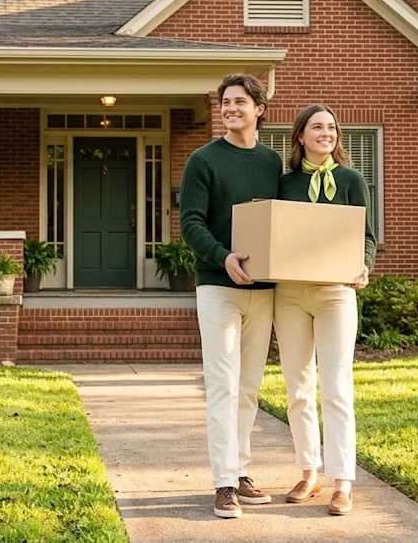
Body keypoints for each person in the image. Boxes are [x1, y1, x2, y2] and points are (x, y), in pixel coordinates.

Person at [178, 73, 283, 519]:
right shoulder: (203, 161)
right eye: (225, 102)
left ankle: (241, 471)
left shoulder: (274, 163)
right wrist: (223, 258)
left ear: (259, 109)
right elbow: (191, 223)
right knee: (222, 385)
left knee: (248, 388)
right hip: (218, 287)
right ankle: (223, 482)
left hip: (264, 290)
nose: (230, 108)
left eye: (240, 101)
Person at [274, 104, 376, 516]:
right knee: (297, 386)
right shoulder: (285, 183)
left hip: (336, 292)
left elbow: (366, 235)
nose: (326, 133)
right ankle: (308, 470)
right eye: (317, 127)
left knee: (335, 386)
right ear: (300, 136)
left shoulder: (351, 179)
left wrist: (364, 265)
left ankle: (342, 481)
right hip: (291, 294)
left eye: (331, 127)